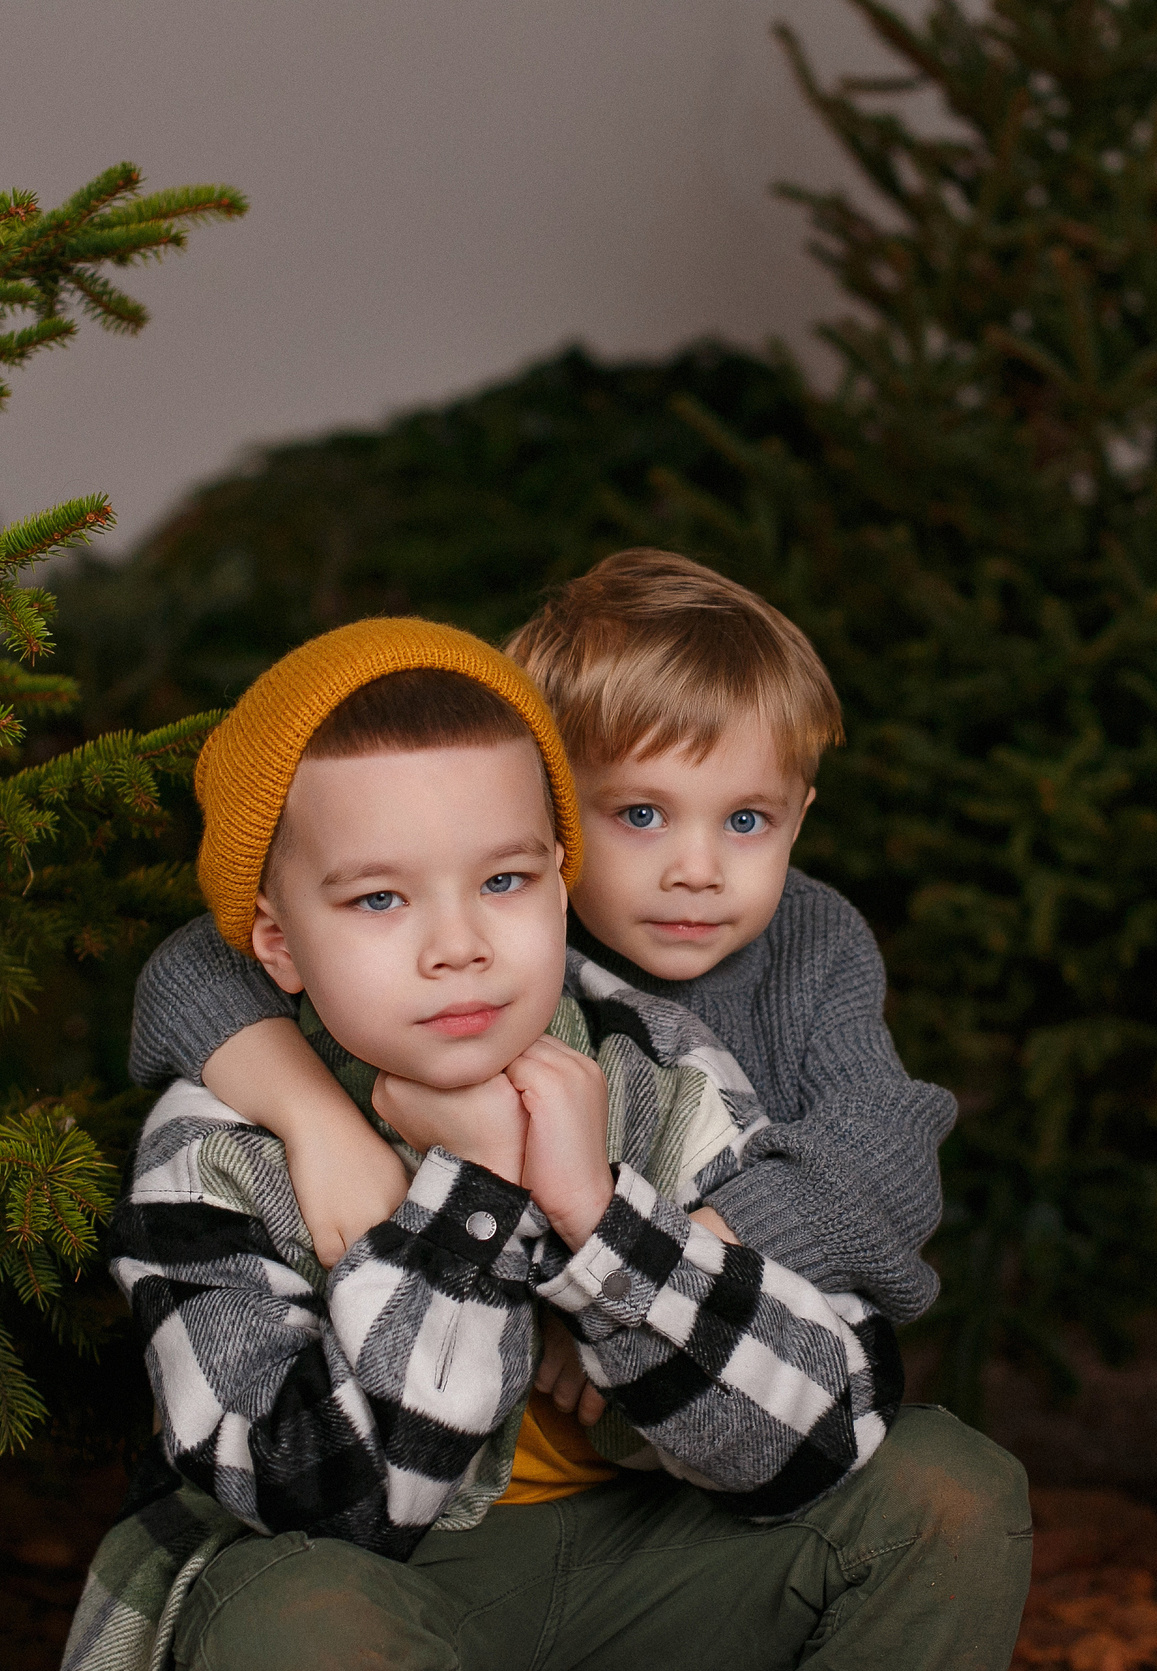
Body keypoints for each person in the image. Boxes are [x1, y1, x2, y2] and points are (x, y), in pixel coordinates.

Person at [53, 618, 1029, 1671]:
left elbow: (826, 1431)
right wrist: (469, 1197)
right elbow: (319, 1501)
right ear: (277, 942)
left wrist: (601, 1227)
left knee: (944, 1492)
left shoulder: (656, 1064)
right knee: (305, 1628)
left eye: (505, 881)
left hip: (647, 1554)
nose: (458, 945)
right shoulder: (216, 1155)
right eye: (380, 898)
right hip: (391, 1580)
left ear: (563, 884)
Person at [128, 551, 954, 1435]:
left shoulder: (810, 940)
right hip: (470, 1364)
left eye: (746, 819)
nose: (698, 869)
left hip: (732, 1356)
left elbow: (886, 1145)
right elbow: (202, 963)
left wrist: (638, 1269)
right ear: (547, 806)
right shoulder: (504, 928)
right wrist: (315, 1119)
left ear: (800, 816)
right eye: (641, 814)